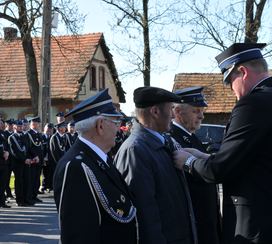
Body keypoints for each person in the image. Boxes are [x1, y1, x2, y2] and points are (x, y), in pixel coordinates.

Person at [174, 42, 272, 244]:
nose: (231, 90)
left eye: (230, 81)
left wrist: (188, 161)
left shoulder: (253, 104)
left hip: (259, 227)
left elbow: (219, 170)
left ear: (243, 72)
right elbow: (253, 158)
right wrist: (205, 156)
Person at [114, 86, 198, 244]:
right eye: (170, 108)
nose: (174, 115)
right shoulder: (136, 150)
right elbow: (144, 216)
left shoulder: (161, 142)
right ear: (155, 112)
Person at [53, 89, 137, 243]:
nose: (119, 128)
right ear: (100, 125)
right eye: (116, 122)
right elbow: (78, 236)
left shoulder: (99, 157)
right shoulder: (75, 167)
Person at [170, 86, 221, 244]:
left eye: (202, 111)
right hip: (193, 224)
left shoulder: (191, 138)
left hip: (205, 221)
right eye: (196, 111)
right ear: (178, 112)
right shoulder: (173, 139)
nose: (202, 116)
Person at [8, 120, 33, 206]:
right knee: (19, 182)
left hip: (26, 162)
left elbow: (28, 148)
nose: (21, 128)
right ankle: (20, 200)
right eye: (18, 126)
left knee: (27, 180)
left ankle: (27, 199)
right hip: (17, 163)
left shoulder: (24, 136)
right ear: (14, 127)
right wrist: (24, 159)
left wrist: (30, 158)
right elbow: (14, 152)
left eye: (21, 126)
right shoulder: (12, 137)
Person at [25, 116, 44, 202]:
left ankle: (35, 195)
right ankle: (30, 197)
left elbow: (40, 147)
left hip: (39, 160)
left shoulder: (38, 134)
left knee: (37, 179)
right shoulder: (28, 134)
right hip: (33, 160)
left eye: (36, 123)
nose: (35, 125)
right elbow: (28, 147)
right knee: (31, 179)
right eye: (33, 123)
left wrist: (41, 158)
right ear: (31, 124)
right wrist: (34, 156)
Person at [41, 123, 54, 193]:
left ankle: (49, 186)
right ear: (44, 129)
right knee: (44, 173)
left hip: (50, 158)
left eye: (50, 129)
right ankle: (44, 186)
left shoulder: (52, 137)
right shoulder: (41, 136)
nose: (49, 130)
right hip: (43, 158)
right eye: (48, 129)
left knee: (50, 172)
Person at [0, 119, 10, 208]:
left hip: (4, 163)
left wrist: (7, 152)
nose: (1, 124)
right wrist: (3, 153)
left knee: (3, 184)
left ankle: (2, 201)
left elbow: (6, 145)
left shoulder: (3, 134)